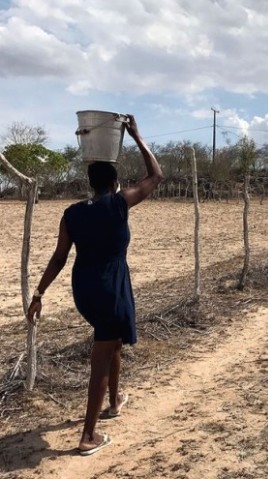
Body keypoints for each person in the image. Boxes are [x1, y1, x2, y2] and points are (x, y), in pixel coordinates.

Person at [27, 115, 163, 456]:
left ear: (90, 184)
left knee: (112, 342)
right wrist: (136, 135)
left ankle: (115, 401)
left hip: (84, 289)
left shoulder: (73, 212)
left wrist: (39, 294)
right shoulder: (119, 204)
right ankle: (88, 436)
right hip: (110, 289)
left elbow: (59, 259)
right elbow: (156, 175)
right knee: (102, 356)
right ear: (115, 182)